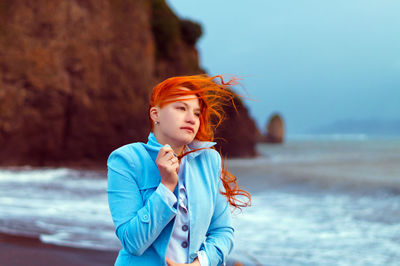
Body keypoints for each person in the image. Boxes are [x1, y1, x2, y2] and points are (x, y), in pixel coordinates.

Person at [107, 75, 251, 266]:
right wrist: (166, 187)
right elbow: (133, 243)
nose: (191, 119)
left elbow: (222, 231)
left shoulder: (209, 160)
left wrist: (199, 263)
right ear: (155, 114)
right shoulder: (126, 160)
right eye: (181, 108)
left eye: (197, 113)